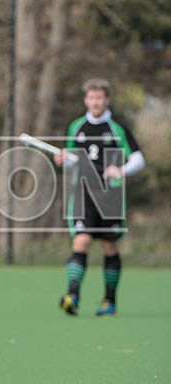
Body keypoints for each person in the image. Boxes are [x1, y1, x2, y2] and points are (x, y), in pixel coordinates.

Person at [54, 78, 144, 316]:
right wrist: (64, 159)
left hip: (111, 196)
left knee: (108, 246)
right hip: (83, 194)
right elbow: (72, 159)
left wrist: (121, 170)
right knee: (81, 241)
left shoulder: (117, 128)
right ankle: (72, 295)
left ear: (107, 100)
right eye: (91, 97)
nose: (95, 102)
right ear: (86, 100)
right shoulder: (76, 127)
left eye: (100, 97)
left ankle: (109, 300)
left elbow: (138, 158)